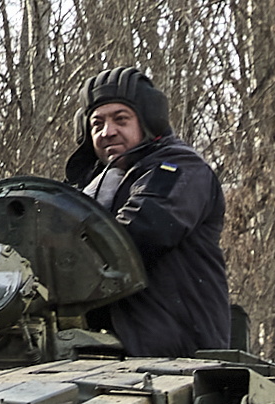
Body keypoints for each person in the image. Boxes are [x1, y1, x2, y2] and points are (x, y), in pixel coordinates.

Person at [62, 65, 231, 356]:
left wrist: (61, 251)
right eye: (97, 123)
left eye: (121, 119)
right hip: (108, 354)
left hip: (179, 355)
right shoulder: (95, 188)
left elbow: (142, 233)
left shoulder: (180, 169)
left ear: (148, 120)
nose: (108, 132)